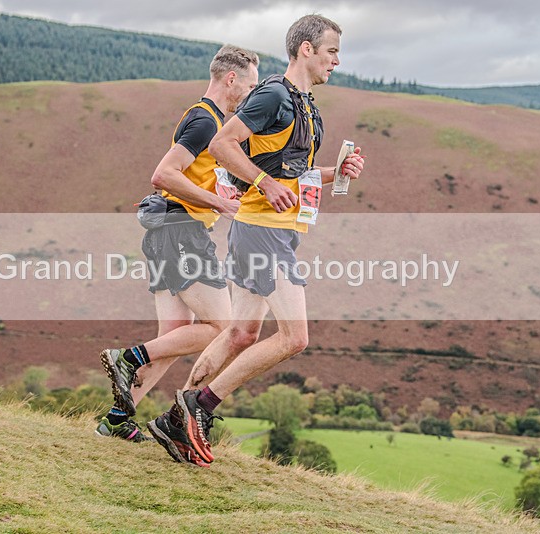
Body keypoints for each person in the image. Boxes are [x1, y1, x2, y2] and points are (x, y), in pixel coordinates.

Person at [149, 14, 365, 466]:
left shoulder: (307, 106)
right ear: (306, 49)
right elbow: (223, 145)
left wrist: (332, 173)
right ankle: (200, 406)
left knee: (242, 333)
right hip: (262, 231)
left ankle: (175, 420)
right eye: (331, 52)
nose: (337, 61)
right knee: (294, 337)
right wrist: (264, 183)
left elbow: (292, 173)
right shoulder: (273, 95)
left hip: (276, 232)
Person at [96, 45, 259, 453]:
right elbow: (163, 174)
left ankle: (117, 419)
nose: (253, 94)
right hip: (182, 232)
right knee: (220, 329)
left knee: (173, 337)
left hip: (169, 232)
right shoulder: (205, 121)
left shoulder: (214, 123)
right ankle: (128, 357)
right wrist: (218, 203)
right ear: (231, 79)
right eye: (252, 85)